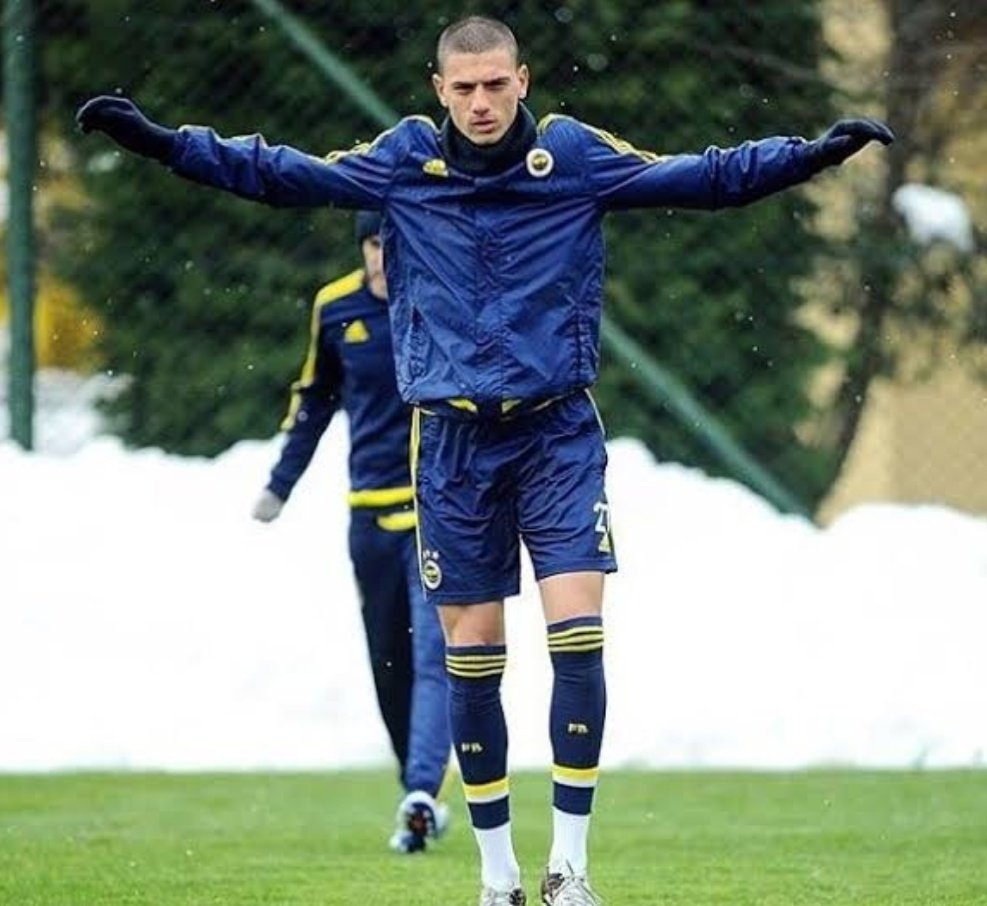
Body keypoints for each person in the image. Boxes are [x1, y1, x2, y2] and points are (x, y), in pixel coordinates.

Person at [76, 16, 893, 905]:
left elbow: (701, 177)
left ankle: (570, 870)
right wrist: (164, 145)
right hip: (453, 445)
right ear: (439, 90)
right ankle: (497, 876)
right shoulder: (401, 163)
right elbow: (279, 174)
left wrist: (809, 155)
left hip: (555, 435)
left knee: (577, 630)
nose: (480, 102)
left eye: (495, 84)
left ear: (522, 80)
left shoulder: (572, 158)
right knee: (472, 651)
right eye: (463, 87)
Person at [250, 210, 452, 855]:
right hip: (368, 516)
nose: (380, 258)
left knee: (435, 657)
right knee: (389, 663)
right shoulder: (335, 308)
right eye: (371, 244)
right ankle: (417, 790)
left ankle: (422, 790)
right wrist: (280, 484)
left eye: (391, 245)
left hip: (438, 514)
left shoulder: (445, 296)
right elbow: (315, 399)